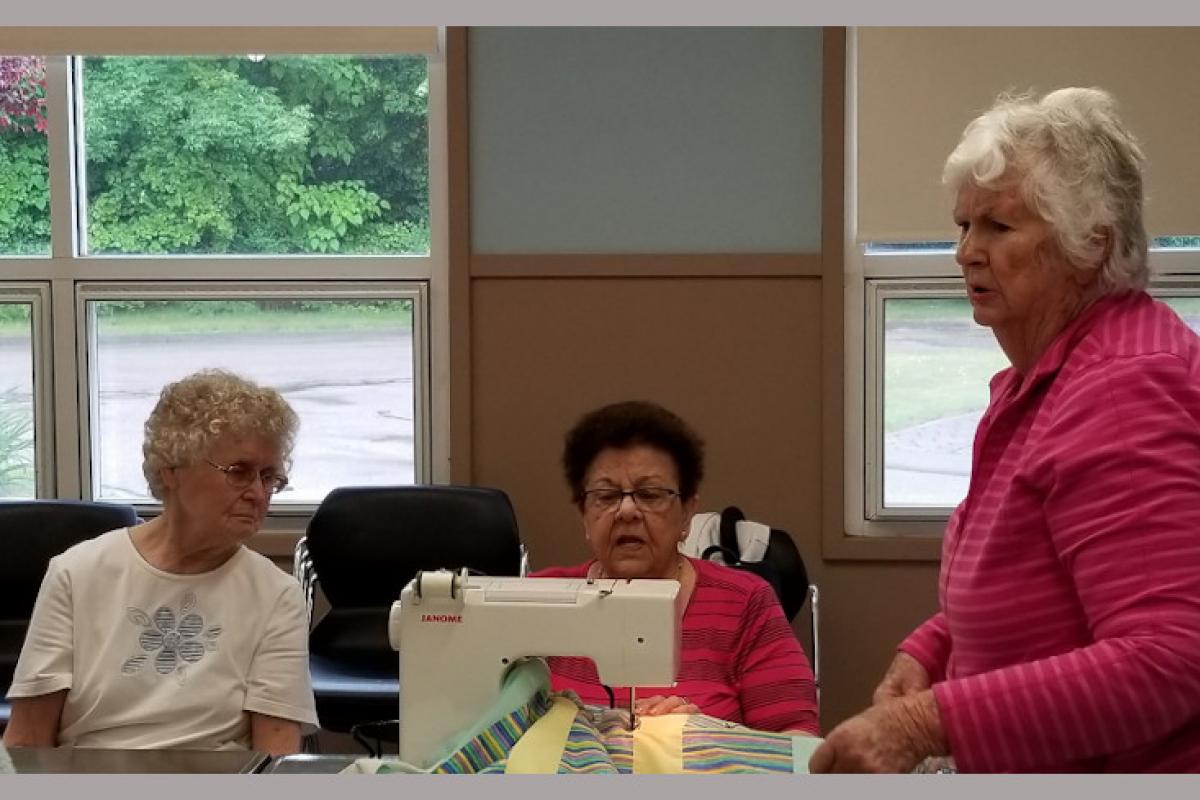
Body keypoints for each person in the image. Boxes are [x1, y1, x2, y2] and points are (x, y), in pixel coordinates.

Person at [810, 88, 1200, 773]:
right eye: (962, 226)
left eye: (998, 228)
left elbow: (1168, 658)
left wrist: (926, 722)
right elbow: (1047, 588)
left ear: (1090, 245)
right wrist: (932, 648)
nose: (965, 251)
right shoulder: (1041, 379)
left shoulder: (1120, 387)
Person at [4, 369, 318, 754]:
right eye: (239, 472)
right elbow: (26, 742)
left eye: (269, 477)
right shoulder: (78, 573)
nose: (257, 493)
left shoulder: (276, 595)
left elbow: (276, 756)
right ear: (172, 471)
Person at [531, 400, 819, 735]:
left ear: (686, 513)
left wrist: (705, 735)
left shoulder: (745, 603)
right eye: (606, 496)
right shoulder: (540, 597)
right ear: (584, 514)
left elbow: (797, 741)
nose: (626, 511)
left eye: (650, 494)